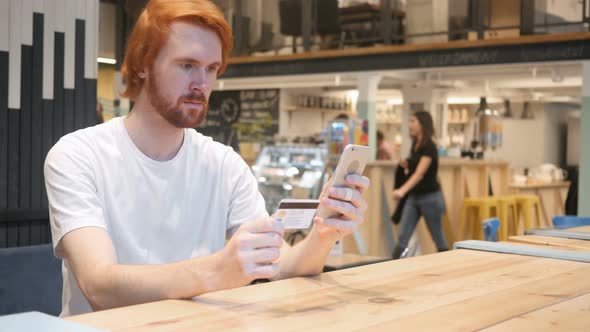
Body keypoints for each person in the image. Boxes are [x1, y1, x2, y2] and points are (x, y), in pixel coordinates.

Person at [44, 0, 370, 317]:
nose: (202, 84)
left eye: (211, 69)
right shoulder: (78, 156)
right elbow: (99, 285)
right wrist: (216, 271)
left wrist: (324, 234)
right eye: (187, 65)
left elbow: (281, 266)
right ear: (143, 65)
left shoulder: (224, 164)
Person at [391, 111, 448, 259]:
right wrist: (407, 163)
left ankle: (448, 264)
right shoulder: (416, 145)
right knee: (403, 237)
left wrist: (402, 190)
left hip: (430, 198)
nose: (410, 124)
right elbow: (415, 168)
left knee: (438, 238)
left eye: (413, 121)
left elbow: (419, 173)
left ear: (422, 123)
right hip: (414, 197)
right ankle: (391, 266)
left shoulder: (430, 147)